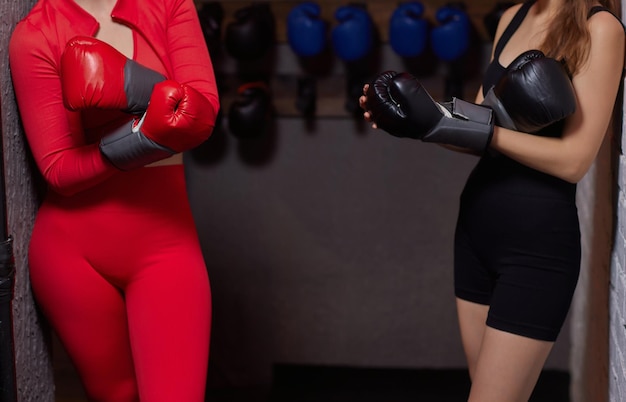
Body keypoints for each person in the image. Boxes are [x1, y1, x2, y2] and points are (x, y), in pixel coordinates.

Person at [359, 0, 624, 400]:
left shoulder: (601, 29)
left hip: (537, 250)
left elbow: (574, 161)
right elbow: (484, 126)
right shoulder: (512, 16)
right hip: (476, 231)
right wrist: (420, 123)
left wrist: (465, 129)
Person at [8, 0, 220, 399]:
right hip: (73, 254)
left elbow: (202, 113)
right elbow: (58, 170)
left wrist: (132, 86)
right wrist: (141, 137)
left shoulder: (168, 5)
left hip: (164, 243)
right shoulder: (36, 33)